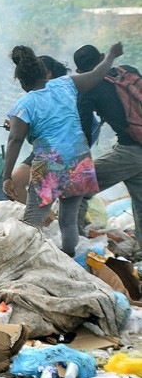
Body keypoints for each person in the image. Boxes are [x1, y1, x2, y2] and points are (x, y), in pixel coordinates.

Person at [3, 43, 123, 256]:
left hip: (51, 163)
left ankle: (29, 261)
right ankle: (67, 258)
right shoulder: (65, 84)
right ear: (43, 72)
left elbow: (15, 139)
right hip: (80, 159)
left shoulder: (25, 103)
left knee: (33, 221)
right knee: (68, 221)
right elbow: (97, 74)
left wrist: (6, 177)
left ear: (22, 82)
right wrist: (111, 55)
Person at [75, 44, 142, 250]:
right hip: (137, 147)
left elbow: (84, 135)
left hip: (130, 151)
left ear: (79, 72)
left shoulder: (87, 91)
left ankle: (75, 247)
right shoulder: (128, 71)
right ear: (103, 57)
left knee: (77, 189)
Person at [7, 55, 92, 204]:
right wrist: (18, 127)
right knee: (16, 185)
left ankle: (45, 220)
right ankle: (49, 221)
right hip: (48, 151)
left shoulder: (61, 91)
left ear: (47, 73)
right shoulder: (45, 93)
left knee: (53, 199)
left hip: (56, 152)